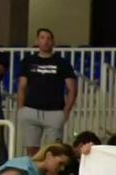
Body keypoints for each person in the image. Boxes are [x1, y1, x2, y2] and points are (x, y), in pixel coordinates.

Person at [16, 28, 77, 156]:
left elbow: (72, 89)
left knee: (54, 151)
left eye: (49, 38)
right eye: (42, 38)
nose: (45, 41)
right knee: (31, 151)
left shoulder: (62, 63)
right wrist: (20, 109)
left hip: (54, 112)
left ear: (53, 42)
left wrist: (66, 110)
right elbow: (22, 86)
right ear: (37, 41)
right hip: (30, 110)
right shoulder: (28, 61)